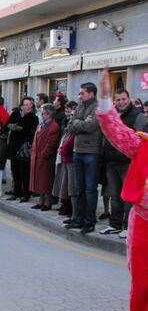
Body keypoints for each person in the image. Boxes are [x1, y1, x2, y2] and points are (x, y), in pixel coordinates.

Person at [97, 68, 148, 311]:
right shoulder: (142, 145)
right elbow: (116, 130)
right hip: (141, 221)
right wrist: (105, 99)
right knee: (139, 280)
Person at [100, 89, 146, 238]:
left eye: (124, 99)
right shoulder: (113, 115)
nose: (121, 102)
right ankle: (115, 224)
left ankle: (128, 226)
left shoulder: (137, 116)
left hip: (128, 163)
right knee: (115, 195)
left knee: (128, 196)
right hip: (111, 161)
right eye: (118, 99)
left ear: (129, 99)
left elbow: (141, 141)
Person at [65, 82, 103, 235]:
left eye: (82, 93)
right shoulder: (80, 106)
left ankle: (90, 221)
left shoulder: (98, 108)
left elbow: (90, 127)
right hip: (78, 150)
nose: (79, 96)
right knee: (79, 188)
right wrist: (79, 121)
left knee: (90, 189)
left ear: (91, 93)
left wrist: (76, 122)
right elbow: (69, 127)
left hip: (92, 152)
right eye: (80, 93)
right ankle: (78, 219)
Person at [6, 98, 39, 202]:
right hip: (13, 147)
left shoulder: (33, 117)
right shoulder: (15, 114)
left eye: (29, 105)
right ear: (21, 106)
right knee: (15, 171)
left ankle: (26, 194)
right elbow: (7, 125)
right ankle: (16, 192)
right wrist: (12, 126)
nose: (27, 106)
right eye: (25, 105)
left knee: (25, 172)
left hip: (24, 148)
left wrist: (19, 128)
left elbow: (31, 131)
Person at [29, 104, 61, 211]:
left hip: (46, 158)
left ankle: (47, 203)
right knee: (39, 181)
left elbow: (50, 144)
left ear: (48, 114)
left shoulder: (54, 126)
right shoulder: (41, 124)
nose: (41, 115)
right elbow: (36, 139)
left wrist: (43, 154)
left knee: (46, 181)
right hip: (37, 156)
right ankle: (40, 201)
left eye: (43, 113)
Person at [53, 101, 77, 219]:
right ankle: (65, 204)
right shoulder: (65, 124)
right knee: (63, 182)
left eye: (71, 113)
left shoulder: (74, 127)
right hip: (64, 156)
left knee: (70, 185)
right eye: (67, 112)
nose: (69, 115)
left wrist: (63, 149)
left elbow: (70, 141)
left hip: (70, 157)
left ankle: (70, 208)